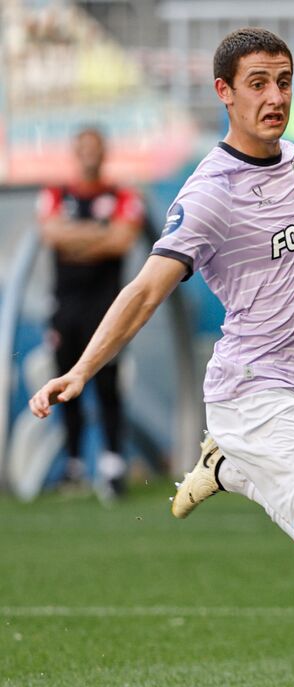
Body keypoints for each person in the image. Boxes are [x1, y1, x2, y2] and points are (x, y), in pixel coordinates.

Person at [29, 27, 294, 687]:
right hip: (257, 393)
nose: (275, 98)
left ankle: (228, 468)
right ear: (223, 92)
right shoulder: (208, 196)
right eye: (257, 83)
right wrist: (81, 370)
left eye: (284, 82)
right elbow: (143, 291)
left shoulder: (293, 159)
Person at [36, 126, 144, 500]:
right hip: (65, 309)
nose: (89, 155)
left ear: (104, 152)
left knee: (108, 385)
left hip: (107, 309)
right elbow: (52, 235)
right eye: (82, 148)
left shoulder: (123, 195)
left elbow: (121, 239)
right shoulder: (56, 194)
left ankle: (113, 465)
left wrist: (77, 238)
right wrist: (99, 235)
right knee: (65, 386)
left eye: (95, 148)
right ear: (74, 152)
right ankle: (74, 466)